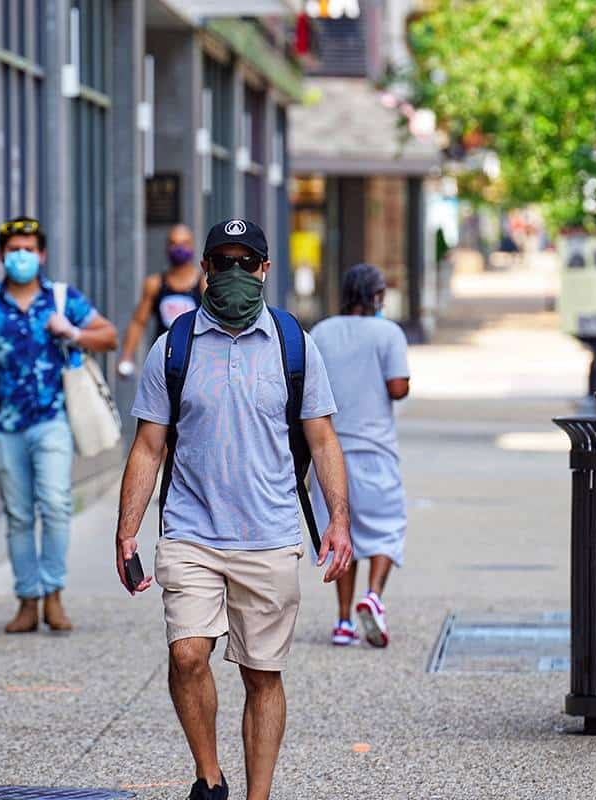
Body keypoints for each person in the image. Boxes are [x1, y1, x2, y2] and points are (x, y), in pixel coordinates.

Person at [115, 218, 353, 800]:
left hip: (269, 534)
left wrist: (338, 520)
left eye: (247, 262)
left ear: (265, 270)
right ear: (205, 270)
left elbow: (322, 439)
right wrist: (127, 533)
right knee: (188, 654)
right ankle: (210, 777)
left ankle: (258, 796)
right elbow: (149, 446)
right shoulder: (173, 347)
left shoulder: (296, 345)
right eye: (223, 262)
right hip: (191, 531)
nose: (236, 273)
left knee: (262, 674)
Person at [0, 216, 118, 634]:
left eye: (29, 250)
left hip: (52, 419)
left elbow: (108, 335)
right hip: (5, 425)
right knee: (19, 514)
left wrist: (72, 331)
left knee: (55, 505)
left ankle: (53, 594)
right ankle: (27, 599)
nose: (21, 257)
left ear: (41, 255)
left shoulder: (60, 299)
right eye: (13, 250)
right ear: (2, 255)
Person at [310, 264, 410, 648]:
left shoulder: (321, 332)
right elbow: (398, 387)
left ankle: (342, 622)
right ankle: (374, 597)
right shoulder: (388, 333)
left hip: (330, 451)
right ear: (375, 296)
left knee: (341, 534)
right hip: (375, 451)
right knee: (386, 528)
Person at [116, 223, 203, 377]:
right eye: (174, 244)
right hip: (163, 360)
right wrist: (127, 356)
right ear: (167, 248)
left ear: (192, 246)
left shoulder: (203, 285)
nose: (179, 249)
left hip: (196, 361)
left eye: (183, 244)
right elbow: (138, 322)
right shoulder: (155, 284)